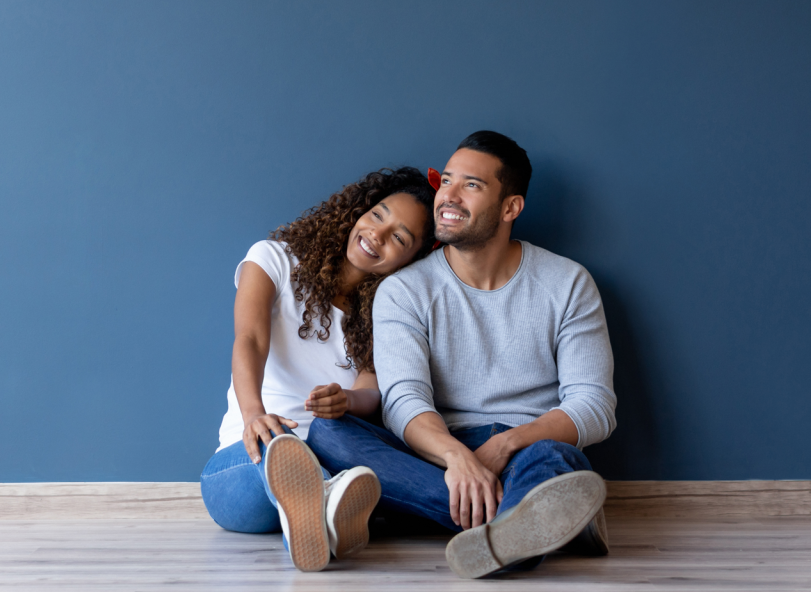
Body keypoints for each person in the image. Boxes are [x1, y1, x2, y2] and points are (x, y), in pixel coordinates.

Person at [307, 131, 617, 579]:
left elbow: (594, 406)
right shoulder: (404, 291)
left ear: (510, 207)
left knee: (552, 458)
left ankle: (510, 516)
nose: (447, 196)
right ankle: (525, 522)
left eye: (471, 185)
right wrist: (458, 459)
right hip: (436, 452)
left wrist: (505, 444)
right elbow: (404, 400)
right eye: (446, 180)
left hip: (527, 444)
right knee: (328, 434)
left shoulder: (568, 283)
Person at [201, 167, 437, 572]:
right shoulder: (273, 257)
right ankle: (320, 504)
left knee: (333, 464)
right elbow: (250, 339)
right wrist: (254, 413)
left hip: (334, 459)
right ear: (360, 210)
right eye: (378, 215)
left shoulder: (392, 310)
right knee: (277, 451)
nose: (378, 234)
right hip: (247, 459)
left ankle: (319, 509)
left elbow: (371, 389)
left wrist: (347, 400)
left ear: (413, 259)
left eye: (400, 237)